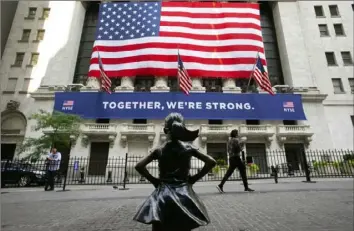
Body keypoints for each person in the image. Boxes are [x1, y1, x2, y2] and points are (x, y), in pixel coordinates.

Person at [133, 113, 216, 231]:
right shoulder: (188, 148)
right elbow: (211, 162)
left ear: (165, 130)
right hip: (185, 194)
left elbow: (139, 166)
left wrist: (155, 182)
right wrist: (194, 179)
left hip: (162, 195)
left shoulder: (159, 150)